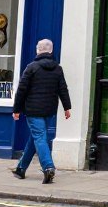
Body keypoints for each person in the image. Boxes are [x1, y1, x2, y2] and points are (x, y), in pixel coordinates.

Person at [9, 39, 71, 184]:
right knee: (36, 137)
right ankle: (21, 168)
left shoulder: (31, 67)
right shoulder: (58, 69)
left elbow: (21, 90)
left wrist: (16, 110)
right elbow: (63, 89)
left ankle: (48, 167)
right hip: (49, 110)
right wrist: (67, 107)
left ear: (38, 50)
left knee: (39, 137)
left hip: (33, 110)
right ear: (51, 51)